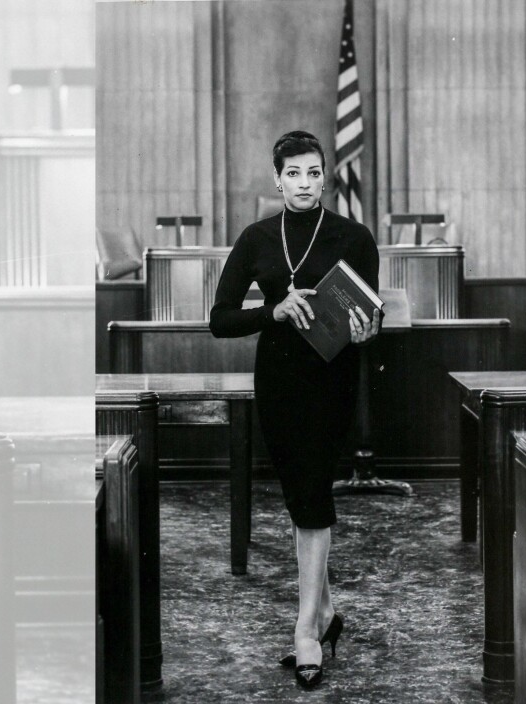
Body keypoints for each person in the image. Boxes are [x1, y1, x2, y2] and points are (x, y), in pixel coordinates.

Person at [209, 130, 381, 688]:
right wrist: (273, 311)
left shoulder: (354, 237)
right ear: (277, 179)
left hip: (332, 379)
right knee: (299, 497)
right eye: (293, 173)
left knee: (312, 497)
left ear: (325, 176)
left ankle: (306, 630)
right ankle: (327, 615)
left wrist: (367, 328)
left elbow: (371, 313)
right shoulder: (257, 237)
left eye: (313, 172)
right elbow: (219, 319)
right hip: (278, 382)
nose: (304, 183)